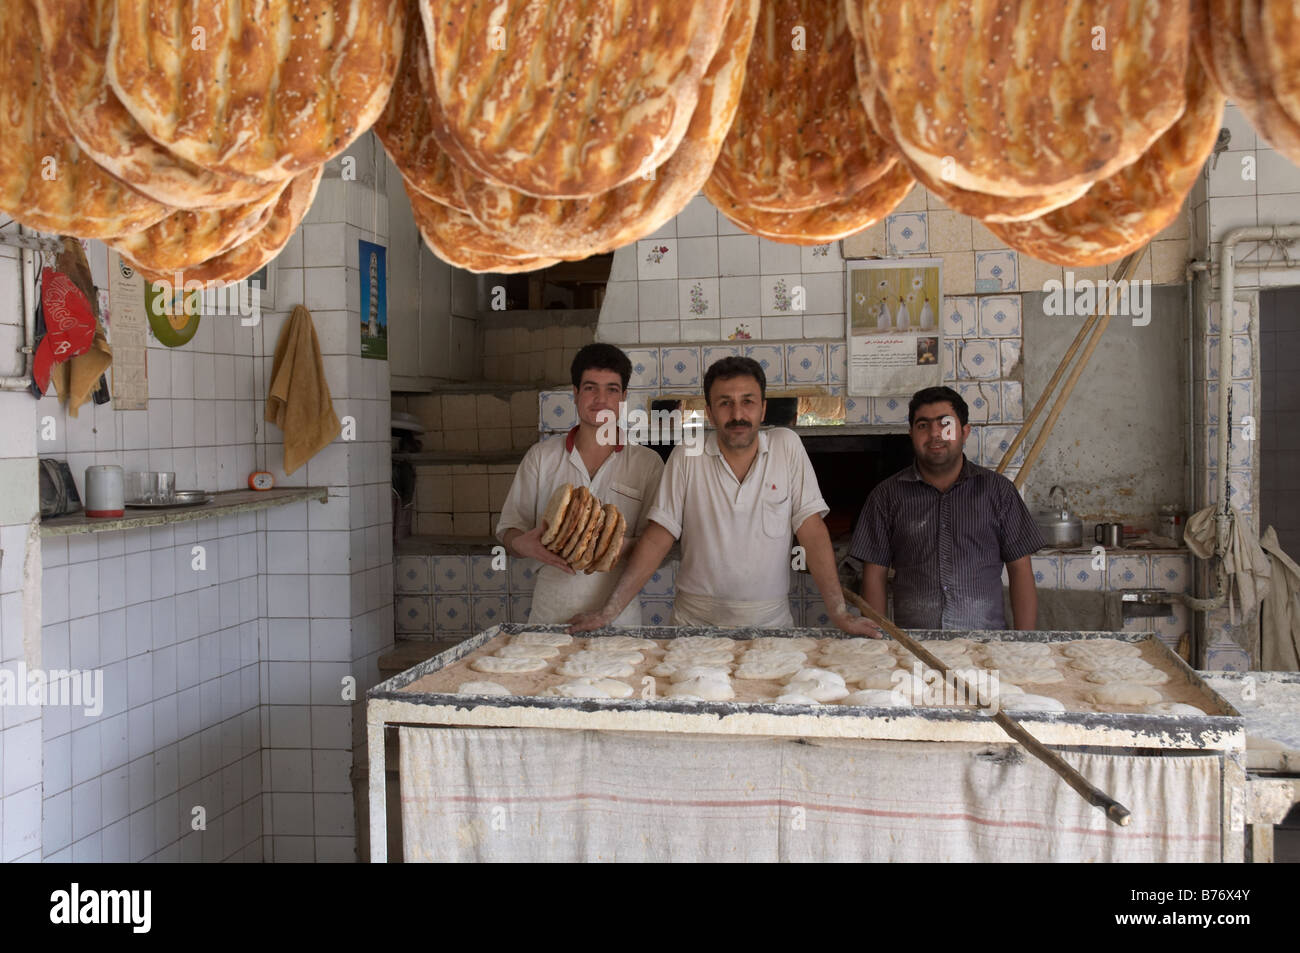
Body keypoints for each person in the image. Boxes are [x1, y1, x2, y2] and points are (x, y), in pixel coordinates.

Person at [570, 356, 880, 636]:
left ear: (763, 408)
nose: (737, 414)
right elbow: (658, 538)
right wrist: (611, 610)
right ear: (709, 413)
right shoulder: (686, 455)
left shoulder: (787, 447)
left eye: (747, 401)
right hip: (694, 624)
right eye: (725, 403)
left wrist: (838, 612)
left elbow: (811, 531)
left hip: (770, 623)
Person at [850, 386, 1044, 630]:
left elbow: (1020, 571)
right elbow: (874, 576)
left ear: (964, 432)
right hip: (914, 649)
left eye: (945, 424)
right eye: (923, 426)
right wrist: (879, 642)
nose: (934, 434)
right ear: (911, 434)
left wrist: (1024, 644)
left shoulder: (998, 492)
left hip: (986, 647)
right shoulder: (886, 497)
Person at [496, 344, 664, 624]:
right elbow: (508, 530)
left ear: (623, 397)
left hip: (619, 617)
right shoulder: (541, 457)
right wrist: (523, 544)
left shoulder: (647, 464)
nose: (601, 399)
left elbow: (660, 543)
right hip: (550, 611)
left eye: (612, 389)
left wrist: (618, 546)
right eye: (590, 388)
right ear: (574, 394)